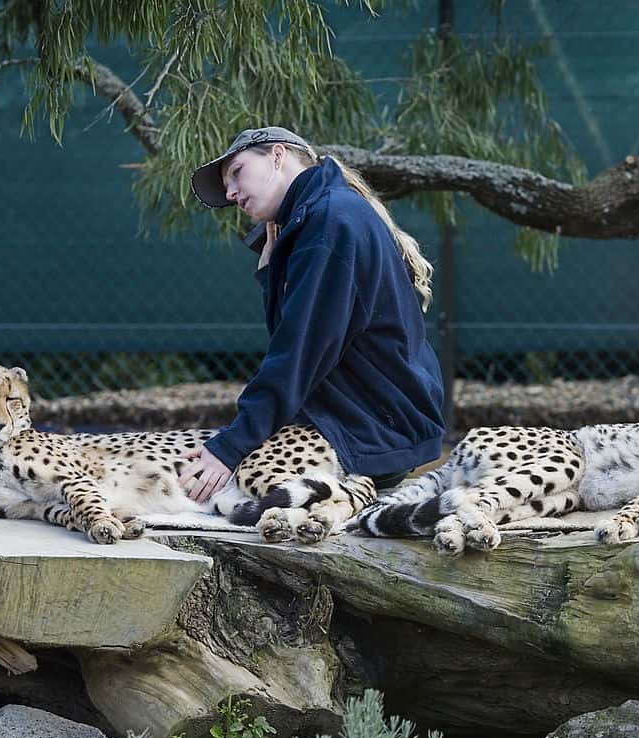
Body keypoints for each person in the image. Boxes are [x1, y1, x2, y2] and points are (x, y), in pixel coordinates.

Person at [178, 127, 445, 502]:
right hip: (370, 423)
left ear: (277, 155)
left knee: (229, 491)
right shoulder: (322, 214)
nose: (231, 194)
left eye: (236, 172)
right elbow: (299, 340)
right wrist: (272, 273)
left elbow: (298, 352)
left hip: (371, 432)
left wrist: (232, 445)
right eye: (227, 188)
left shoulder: (330, 221)